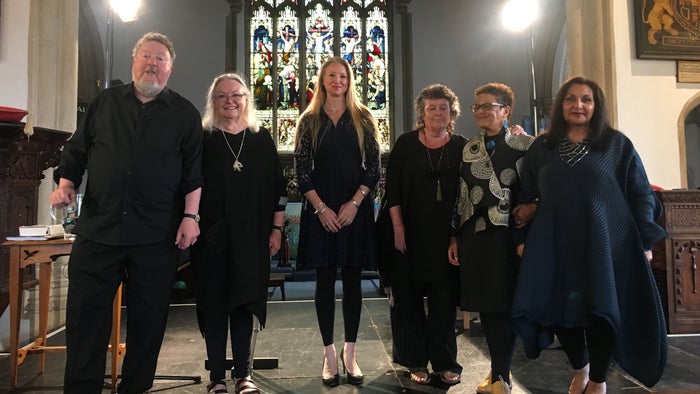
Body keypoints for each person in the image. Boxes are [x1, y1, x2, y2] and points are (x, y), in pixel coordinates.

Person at [49, 32, 203, 393]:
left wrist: (191, 216)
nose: (152, 63)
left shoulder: (184, 113)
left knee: (148, 324)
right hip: (99, 230)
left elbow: (194, 172)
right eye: (146, 56)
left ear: (170, 69)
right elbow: (76, 150)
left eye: (160, 58)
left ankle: (135, 389)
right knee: (86, 320)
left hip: (156, 234)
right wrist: (66, 183)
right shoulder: (104, 104)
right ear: (134, 61)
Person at [510, 77, 668, 394]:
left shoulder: (615, 144)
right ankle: (580, 366)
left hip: (605, 244)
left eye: (586, 99)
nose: (578, 105)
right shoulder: (543, 147)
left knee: (600, 308)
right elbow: (525, 193)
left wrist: (645, 242)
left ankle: (597, 378)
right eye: (570, 99)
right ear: (560, 105)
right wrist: (523, 233)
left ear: (596, 106)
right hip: (554, 243)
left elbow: (640, 195)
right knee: (556, 309)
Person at [191, 73, 287, 394]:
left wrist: (276, 230)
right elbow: (189, 185)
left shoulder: (261, 139)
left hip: (253, 237)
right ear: (213, 101)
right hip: (211, 238)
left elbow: (279, 189)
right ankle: (217, 377)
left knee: (245, 304)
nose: (230, 101)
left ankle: (243, 375)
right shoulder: (203, 139)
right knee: (215, 305)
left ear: (247, 99)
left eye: (237, 95)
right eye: (222, 96)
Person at [294, 57, 380, 387]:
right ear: (322, 80)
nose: (337, 80)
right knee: (325, 281)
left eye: (343, 76)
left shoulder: (363, 118)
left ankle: (351, 354)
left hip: (354, 208)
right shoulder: (309, 120)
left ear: (349, 80)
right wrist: (321, 209)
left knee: (354, 281)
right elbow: (302, 171)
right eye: (331, 75)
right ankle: (329, 355)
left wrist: (355, 204)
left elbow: (374, 167)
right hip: (321, 209)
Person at [447, 83, 534, 394]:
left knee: (504, 306)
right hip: (476, 237)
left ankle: (502, 375)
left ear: (505, 110)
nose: (482, 111)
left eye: (488, 106)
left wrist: (534, 209)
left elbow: (537, 188)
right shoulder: (469, 149)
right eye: (477, 107)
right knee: (487, 307)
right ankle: (499, 373)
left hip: (509, 237)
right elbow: (460, 197)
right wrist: (455, 236)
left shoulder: (526, 145)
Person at [380, 84, 465, 386]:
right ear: (422, 112)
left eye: (443, 107)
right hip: (408, 232)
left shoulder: (462, 146)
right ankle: (415, 359)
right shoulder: (405, 144)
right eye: (432, 108)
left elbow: (466, 196)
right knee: (409, 299)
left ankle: (445, 361)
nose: (438, 113)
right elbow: (391, 189)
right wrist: (398, 228)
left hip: (444, 237)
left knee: (443, 300)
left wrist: (456, 237)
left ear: (452, 112)